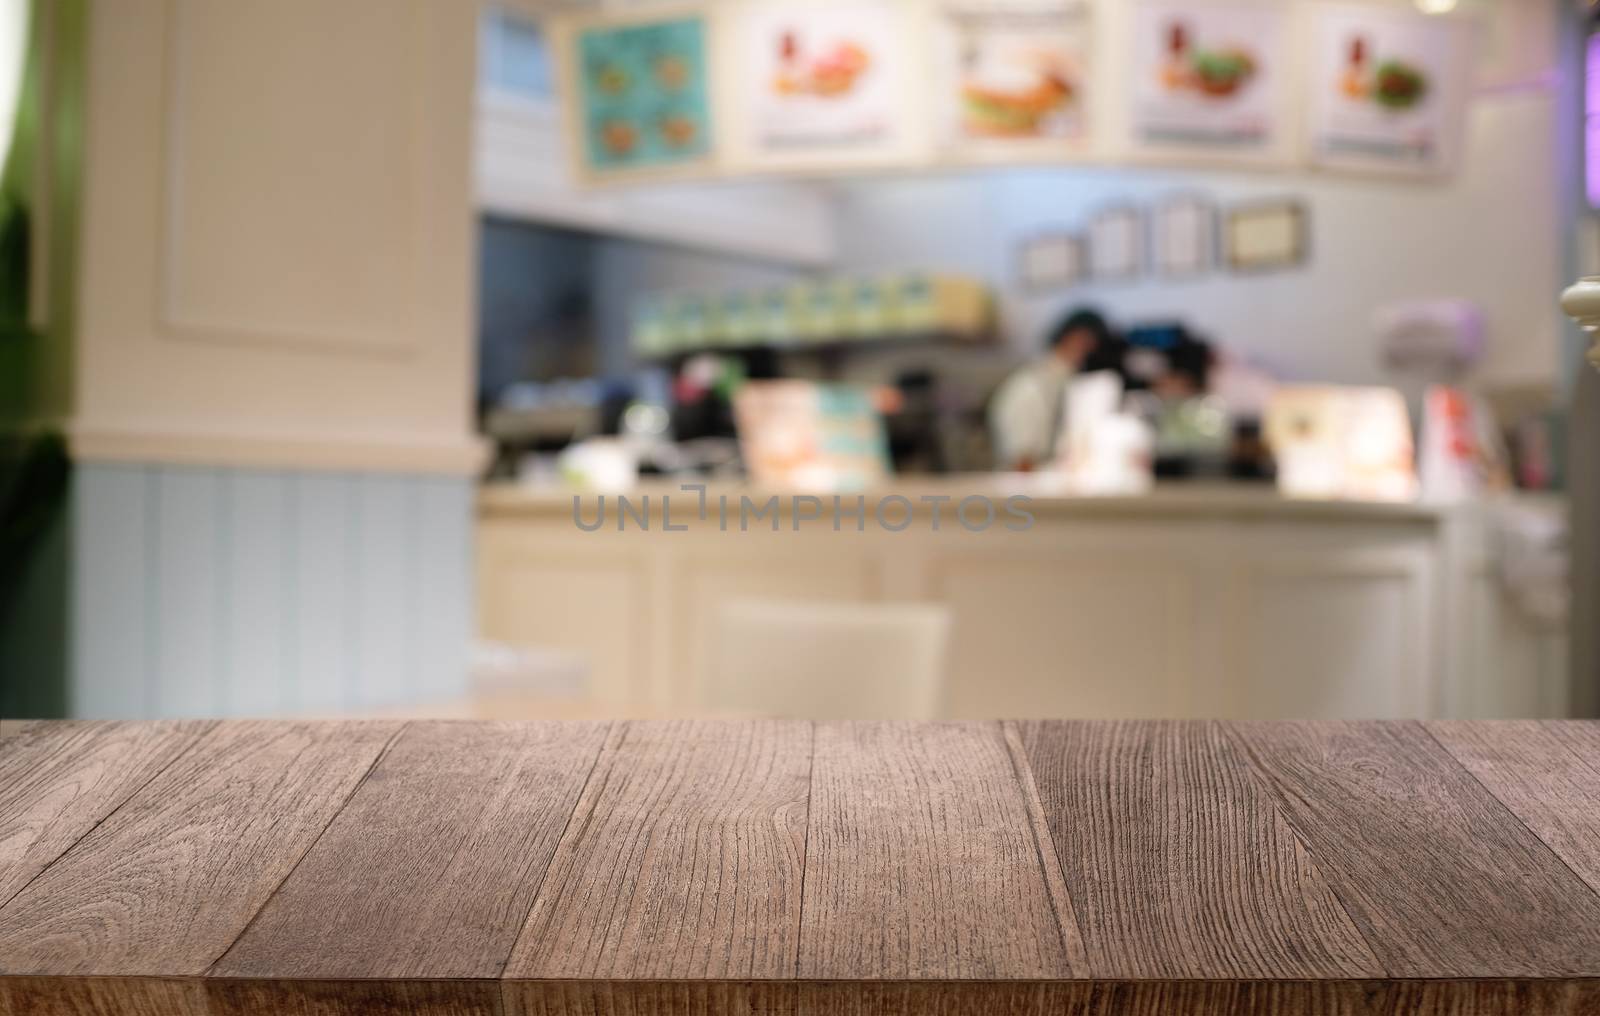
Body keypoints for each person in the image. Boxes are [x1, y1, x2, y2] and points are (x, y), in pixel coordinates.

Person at [988, 307, 1112, 471]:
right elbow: (1022, 459)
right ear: (1074, 339)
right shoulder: (1031, 387)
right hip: (1030, 489)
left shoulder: (1070, 384)